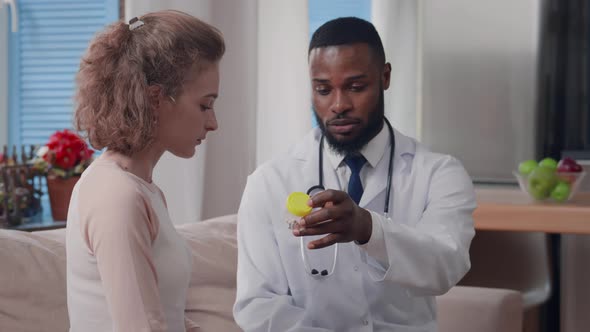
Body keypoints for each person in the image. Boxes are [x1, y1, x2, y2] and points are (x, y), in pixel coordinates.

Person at [233, 17, 476, 331]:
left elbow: (446, 264)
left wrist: (369, 229)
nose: (338, 105)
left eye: (355, 87)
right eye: (323, 90)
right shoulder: (269, 182)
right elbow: (257, 305)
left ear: (385, 77)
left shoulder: (439, 173)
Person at [66, 10, 224, 332]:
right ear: (156, 99)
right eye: (204, 105)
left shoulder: (142, 188)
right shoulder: (116, 196)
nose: (213, 123)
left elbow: (168, 314)